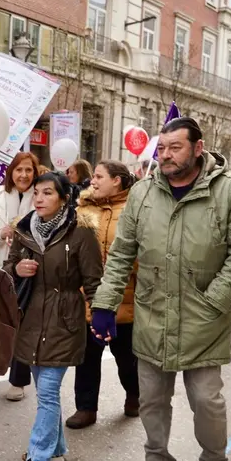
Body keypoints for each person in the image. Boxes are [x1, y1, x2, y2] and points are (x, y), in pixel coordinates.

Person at [91, 117, 231, 461]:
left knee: (206, 401)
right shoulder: (144, 193)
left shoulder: (229, 192)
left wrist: (212, 299)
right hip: (152, 316)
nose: (164, 155)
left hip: (204, 321)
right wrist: (104, 304)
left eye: (174, 148)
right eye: (161, 148)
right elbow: (122, 254)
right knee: (151, 400)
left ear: (198, 149)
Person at [6, 171, 103, 461]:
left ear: (64, 198)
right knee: (44, 393)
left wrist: (100, 316)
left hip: (65, 321)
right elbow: (7, 270)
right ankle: (57, 448)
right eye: (37, 192)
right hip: (30, 321)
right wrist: (18, 269)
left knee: (48, 392)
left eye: (47, 193)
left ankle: (38, 459)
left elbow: (94, 281)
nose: (39, 198)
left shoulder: (81, 233)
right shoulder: (24, 230)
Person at [68, 160, 140, 429]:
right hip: (88, 298)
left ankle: (135, 395)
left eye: (99, 176)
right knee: (86, 358)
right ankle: (86, 408)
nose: (93, 181)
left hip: (125, 300)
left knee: (127, 359)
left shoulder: (135, 209)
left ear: (117, 180)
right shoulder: (82, 209)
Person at [0, 151, 38, 402]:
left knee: (22, 325)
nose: (23, 175)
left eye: (28, 170)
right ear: (11, 172)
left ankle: (18, 380)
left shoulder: (42, 198)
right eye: (19, 170)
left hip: (28, 271)